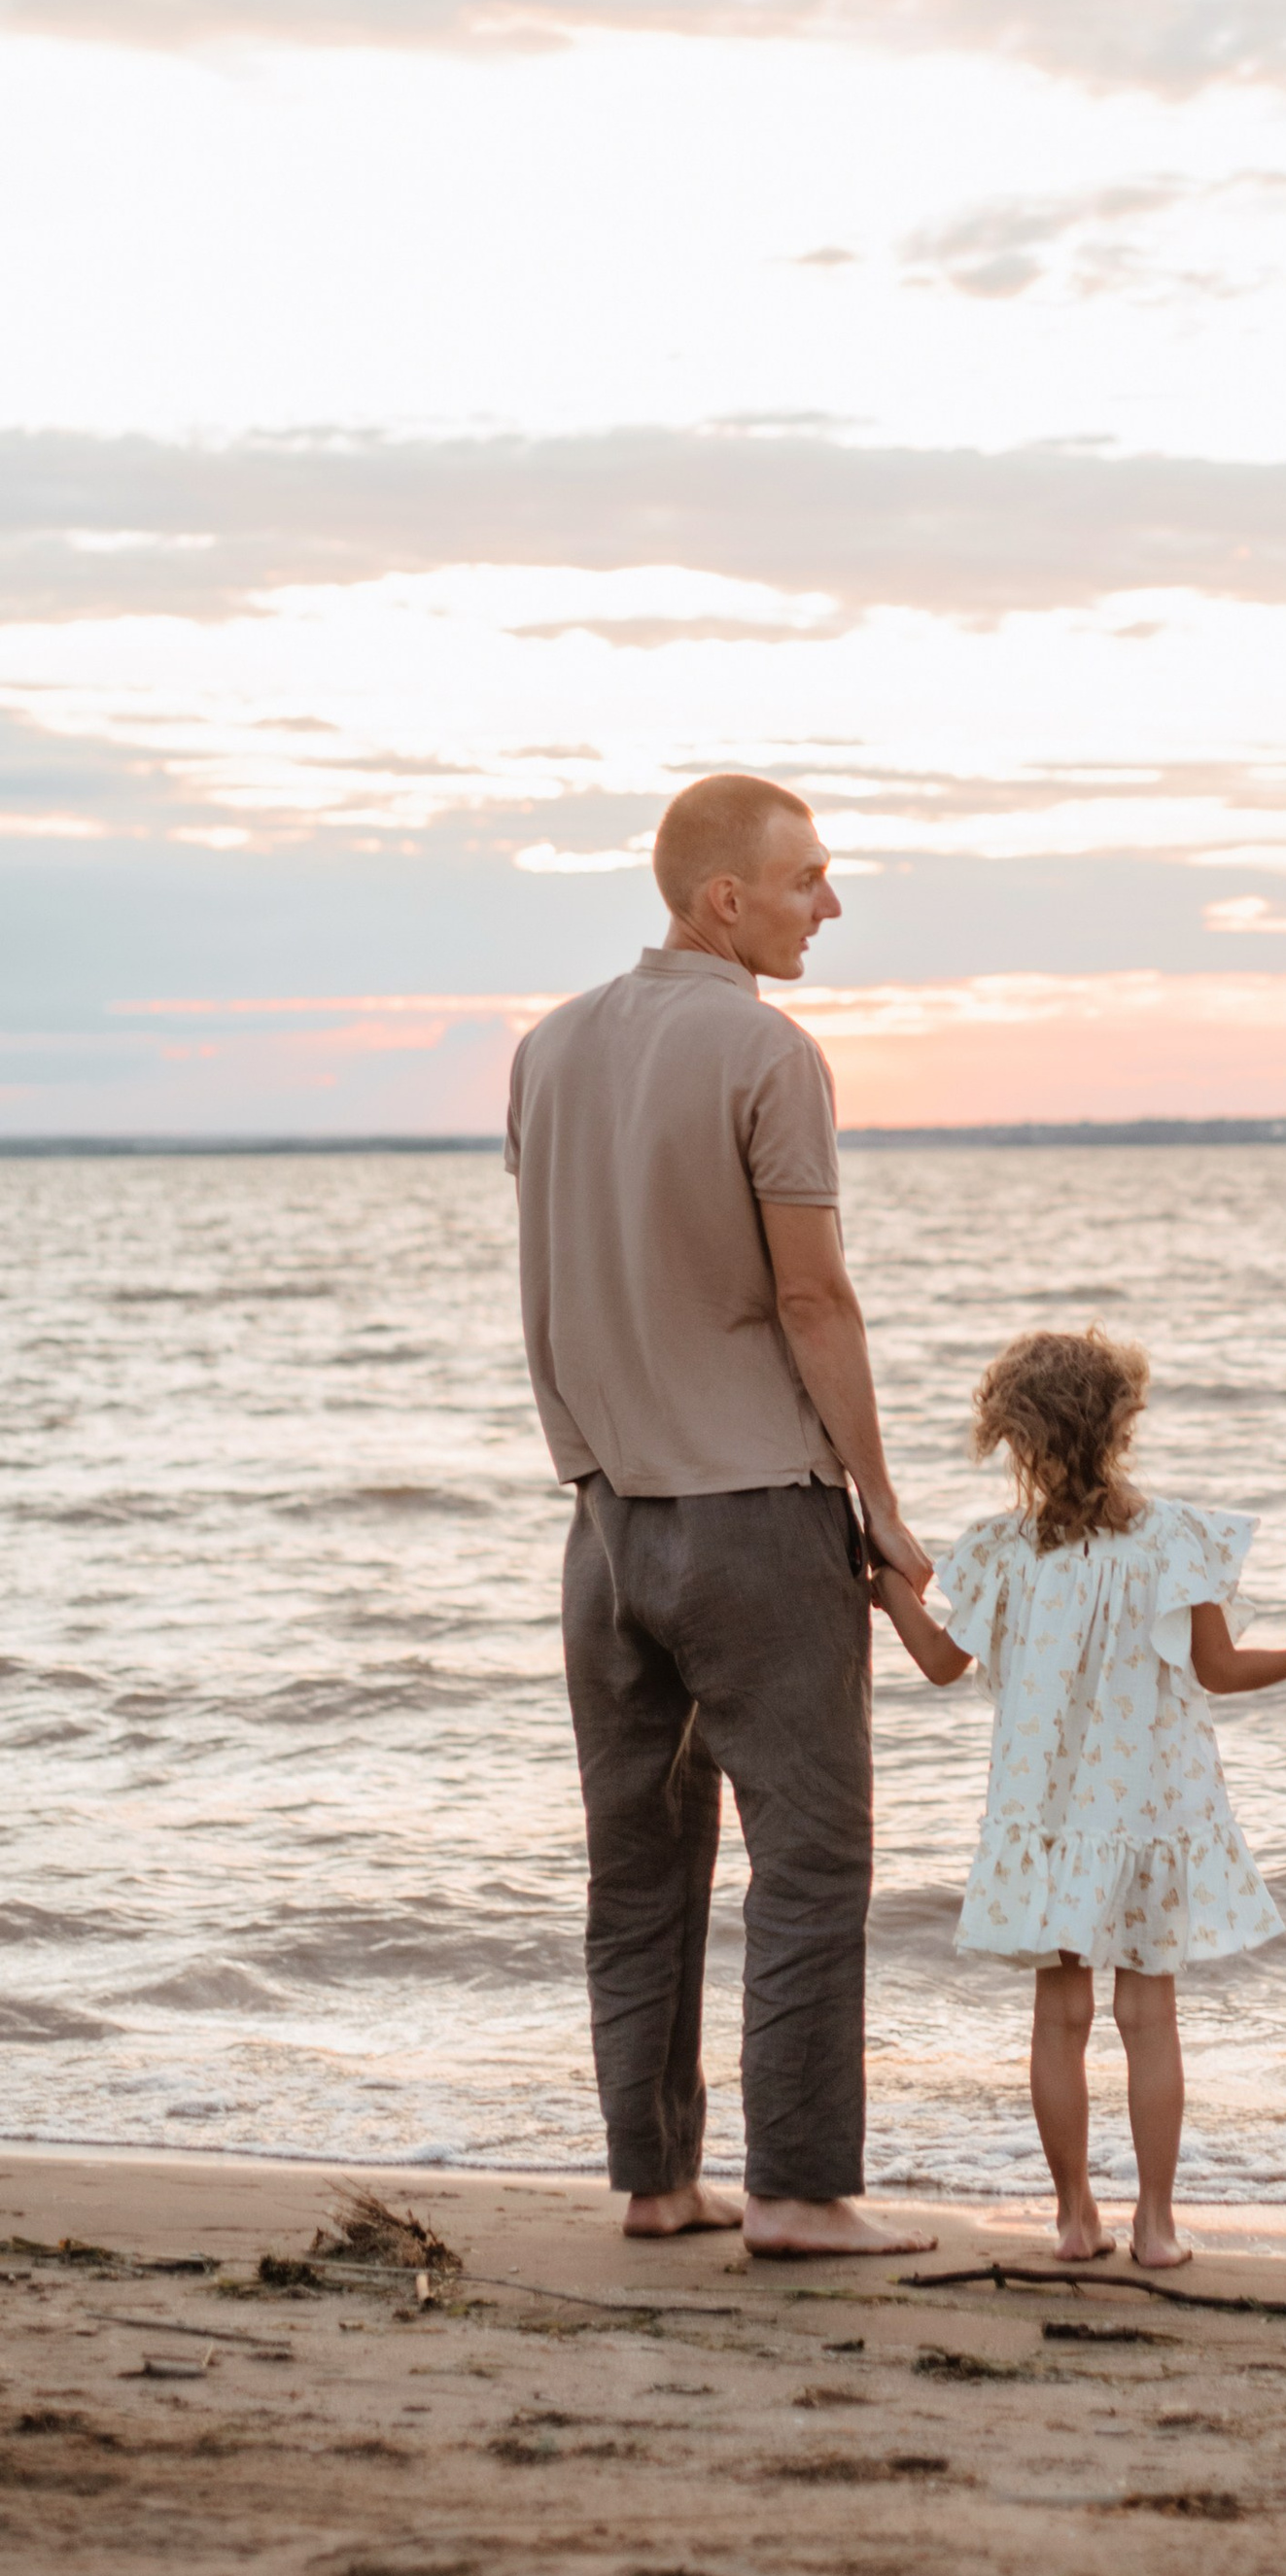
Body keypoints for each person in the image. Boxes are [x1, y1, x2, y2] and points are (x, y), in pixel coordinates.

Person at [504, 771, 934, 2260]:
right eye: (809, 878)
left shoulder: (546, 1050)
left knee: (639, 1865)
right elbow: (813, 1298)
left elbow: (568, 1274)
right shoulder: (768, 1050)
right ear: (723, 898)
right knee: (810, 1860)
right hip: (756, 1515)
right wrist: (881, 1504)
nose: (832, 903)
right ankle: (801, 2193)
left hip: (605, 1524)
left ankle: (657, 2180)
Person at [871, 1327, 1286, 2269]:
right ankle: (1155, 2226)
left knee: (1060, 2018)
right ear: (1120, 1427)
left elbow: (941, 1663)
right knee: (1148, 2020)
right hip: (1149, 1813)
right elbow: (1218, 1668)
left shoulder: (1000, 1554)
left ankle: (1076, 2217)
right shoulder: (1173, 1541)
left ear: (1019, 1443)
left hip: (1047, 1820)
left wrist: (886, 1590)